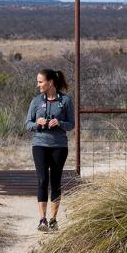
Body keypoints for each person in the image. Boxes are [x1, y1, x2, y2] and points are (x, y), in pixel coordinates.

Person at [25, 69, 75, 231]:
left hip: (59, 147)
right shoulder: (36, 101)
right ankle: (42, 220)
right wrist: (37, 123)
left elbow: (71, 124)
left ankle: (53, 220)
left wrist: (59, 123)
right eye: (38, 82)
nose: (38, 85)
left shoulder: (66, 101)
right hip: (39, 145)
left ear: (50, 82)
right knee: (42, 180)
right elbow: (28, 125)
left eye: (40, 82)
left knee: (55, 181)